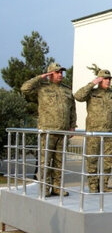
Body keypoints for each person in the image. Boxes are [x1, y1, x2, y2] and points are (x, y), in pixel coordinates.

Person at [21, 63, 77, 197]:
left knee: (59, 163)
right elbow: (24, 89)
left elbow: (72, 109)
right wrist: (41, 77)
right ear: (50, 74)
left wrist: (72, 125)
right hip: (48, 131)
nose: (60, 75)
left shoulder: (67, 90)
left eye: (61, 72)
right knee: (45, 162)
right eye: (57, 72)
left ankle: (57, 188)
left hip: (63, 132)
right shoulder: (42, 88)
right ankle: (45, 189)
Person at [74, 69, 112, 193]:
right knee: (92, 160)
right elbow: (78, 96)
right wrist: (92, 83)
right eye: (105, 79)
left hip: (109, 133)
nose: (108, 81)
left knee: (107, 161)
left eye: (109, 79)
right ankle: (93, 186)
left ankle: (104, 185)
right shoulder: (91, 93)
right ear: (99, 80)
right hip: (93, 133)